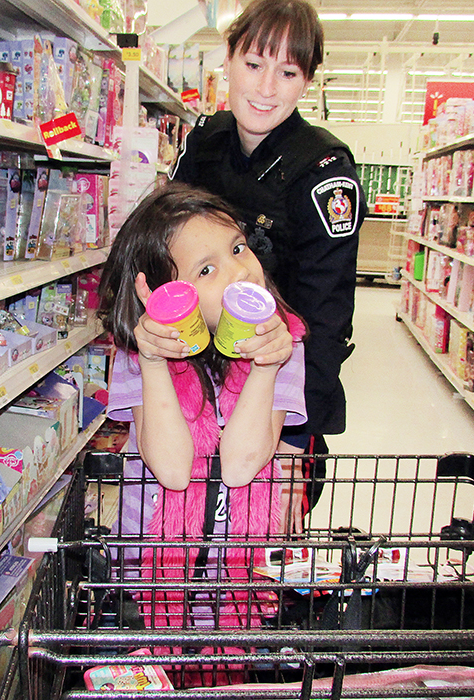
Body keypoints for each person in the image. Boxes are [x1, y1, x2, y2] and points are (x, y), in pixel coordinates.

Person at [170, 0, 367, 531]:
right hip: (196, 371)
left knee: (258, 542)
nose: (265, 88)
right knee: (182, 528)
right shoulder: (204, 144)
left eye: (288, 73)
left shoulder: (322, 170)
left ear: (306, 81)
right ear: (228, 58)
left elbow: (327, 314)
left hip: (275, 382)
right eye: (254, 64)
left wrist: (298, 435)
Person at [97, 185, 306, 674]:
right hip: (151, 567)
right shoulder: (137, 353)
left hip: (237, 573)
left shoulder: (283, 345)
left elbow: (240, 465)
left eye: (238, 248)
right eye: (207, 269)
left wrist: (263, 366)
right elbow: (170, 469)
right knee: (154, 674)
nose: (240, 271)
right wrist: (151, 359)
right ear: (164, 292)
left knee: (226, 675)